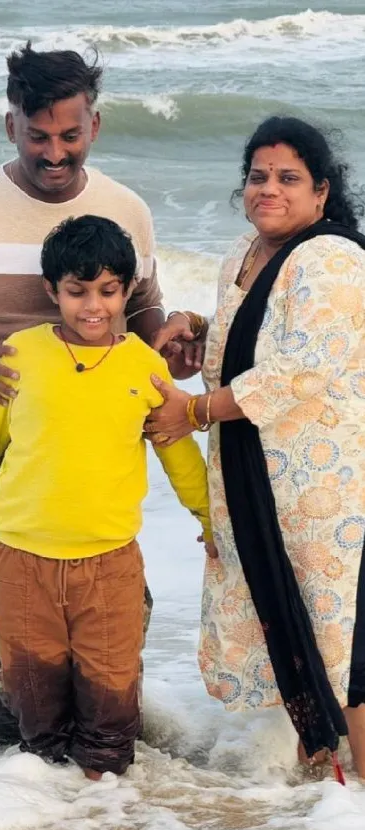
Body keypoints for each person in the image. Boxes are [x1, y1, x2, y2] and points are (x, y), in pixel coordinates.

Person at [0, 41, 167, 748]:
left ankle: (99, 799)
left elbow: (144, 328)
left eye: (70, 136)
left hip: (86, 480)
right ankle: (22, 803)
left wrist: (184, 341)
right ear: (9, 123)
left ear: (95, 127)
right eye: (38, 133)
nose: (55, 153)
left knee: (105, 653)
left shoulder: (128, 212)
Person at [146, 116, 365, 780]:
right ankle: (317, 790)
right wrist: (199, 331)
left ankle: (353, 791)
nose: (268, 188)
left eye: (287, 177)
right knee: (288, 616)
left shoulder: (331, 257)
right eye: (257, 175)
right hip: (258, 478)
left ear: (321, 192)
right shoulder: (243, 253)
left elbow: (299, 369)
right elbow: (255, 339)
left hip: (323, 484)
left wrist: (195, 412)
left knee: (341, 637)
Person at [0, 214, 213, 778]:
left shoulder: (144, 367)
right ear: (53, 290)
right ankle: (54, 808)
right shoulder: (19, 355)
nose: (93, 306)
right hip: (20, 561)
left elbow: (178, 455)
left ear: (127, 290)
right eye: (77, 292)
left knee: (110, 702)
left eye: (108, 291)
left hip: (108, 563)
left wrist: (210, 520)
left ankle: (105, 805)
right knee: (33, 700)